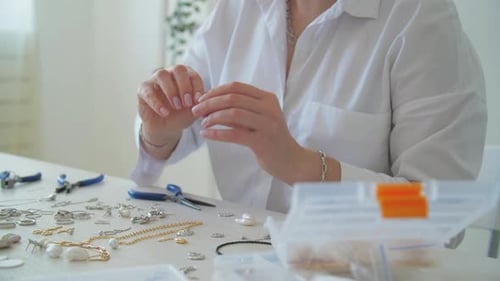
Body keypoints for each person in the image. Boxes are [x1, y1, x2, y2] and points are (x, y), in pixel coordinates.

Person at [131, 0, 487, 214]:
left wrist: (302, 166)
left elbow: (437, 211)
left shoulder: (419, 18)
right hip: (236, 258)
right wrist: (159, 131)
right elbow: (182, 129)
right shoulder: (237, 7)